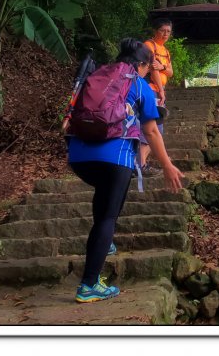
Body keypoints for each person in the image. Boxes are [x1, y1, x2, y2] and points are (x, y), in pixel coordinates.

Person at [66, 38, 183, 303]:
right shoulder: (139, 84)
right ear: (141, 64)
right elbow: (151, 130)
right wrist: (167, 165)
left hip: (78, 157)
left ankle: (103, 244)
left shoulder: (97, 75)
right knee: (107, 218)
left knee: (104, 201)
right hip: (114, 157)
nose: (145, 71)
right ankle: (89, 285)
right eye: (146, 67)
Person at [140, 20, 174, 169]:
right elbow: (153, 70)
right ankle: (140, 163)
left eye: (168, 31)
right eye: (162, 30)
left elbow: (170, 72)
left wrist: (163, 66)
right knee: (153, 128)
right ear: (156, 30)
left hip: (158, 91)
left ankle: (140, 163)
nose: (165, 34)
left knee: (156, 129)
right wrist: (161, 91)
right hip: (151, 89)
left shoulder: (165, 51)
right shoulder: (149, 45)